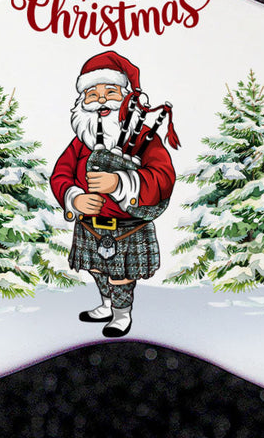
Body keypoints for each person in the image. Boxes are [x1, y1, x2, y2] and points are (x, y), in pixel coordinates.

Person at [50, 51, 176, 337]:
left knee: (121, 275)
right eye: (93, 94)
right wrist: (74, 198)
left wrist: (119, 183)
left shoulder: (144, 139)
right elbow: (60, 174)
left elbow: (163, 178)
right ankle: (106, 305)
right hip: (90, 225)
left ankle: (122, 314)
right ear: (82, 102)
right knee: (97, 270)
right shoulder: (80, 143)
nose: (102, 100)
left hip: (129, 227)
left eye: (110, 92)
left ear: (126, 98)